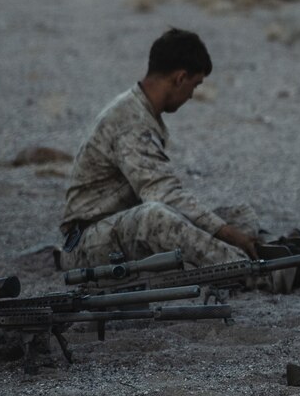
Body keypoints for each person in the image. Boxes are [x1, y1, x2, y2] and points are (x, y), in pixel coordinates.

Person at [61, 28, 264, 271]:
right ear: (180, 78)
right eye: (194, 85)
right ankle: (255, 272)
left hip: (122, 225)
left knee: (241, 215)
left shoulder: (143, 111)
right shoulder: (130, 121)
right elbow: (162, 194)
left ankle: (249, 256)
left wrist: (227, 229)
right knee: (156, 218)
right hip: (89, 243)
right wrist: (227, 234)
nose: (191, 95)